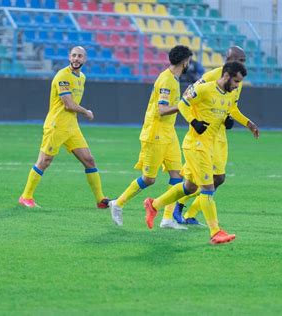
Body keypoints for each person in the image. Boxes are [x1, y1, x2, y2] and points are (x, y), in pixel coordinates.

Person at [143, 61, 248, 244]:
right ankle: (215, 232)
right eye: (236, 81)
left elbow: (226, 112)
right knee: (207, 188)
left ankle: (154, 204)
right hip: (195, 145)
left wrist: (228, 121)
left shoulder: (230, 96)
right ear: (226, 76)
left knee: (190, 187)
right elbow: (183, 104)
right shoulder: (204, 89)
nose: (237, 86)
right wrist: (194, 122)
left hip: (209, 146)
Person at [173, 46, 260, 225]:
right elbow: (187, 96)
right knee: (195, 181)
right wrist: (194, 121)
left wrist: (247, 123)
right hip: (202, 134)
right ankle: (177, 208)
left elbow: (232, 107)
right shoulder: (212, 76)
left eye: (243, 61)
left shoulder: (238, 81)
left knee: (219, 178)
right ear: (227, 59)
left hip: (219, 136)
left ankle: (190, 214)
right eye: (238, 60)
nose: (241, 64)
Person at [109, 45, 193, 229]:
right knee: (149, 179)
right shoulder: (166, 81)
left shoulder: (173, 79)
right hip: (155, 134)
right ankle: (118, 203)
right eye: (189, 61)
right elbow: (162, 110)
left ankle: (167, 218)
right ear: (185, 61)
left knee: (177, 176)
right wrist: (183, 104)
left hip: (168, 134)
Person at [18, 46, 110, 209]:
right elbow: (68, 104)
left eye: (80, 56)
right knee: (45, 161)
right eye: (74, 55)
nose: (76, 58)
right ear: (69, 57)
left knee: (89, 160)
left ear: (85, 59)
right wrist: (86, 112)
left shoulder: (82, 77)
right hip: (56, 125)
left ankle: (100, 200)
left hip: (71, 127)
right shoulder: (62, 76)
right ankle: (26, 197)